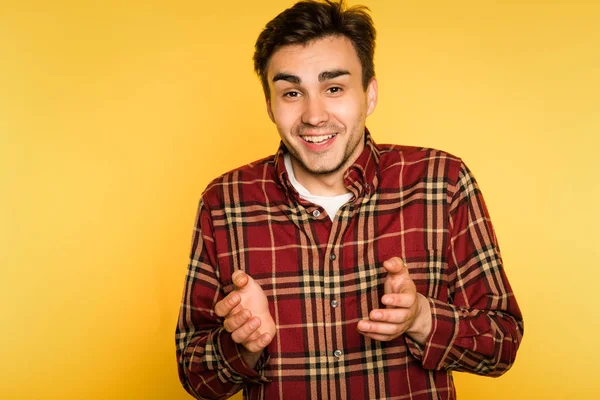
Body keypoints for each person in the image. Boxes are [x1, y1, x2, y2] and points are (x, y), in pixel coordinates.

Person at [175, 1, 524, 399]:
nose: (314, 115)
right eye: (292, 92)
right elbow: (195, 377)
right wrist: (242, 345)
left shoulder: (441, 182)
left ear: (369, 94)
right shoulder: (224, 203)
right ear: (270, 105)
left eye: (334, 88)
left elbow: (503, 344)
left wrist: (421, 318)